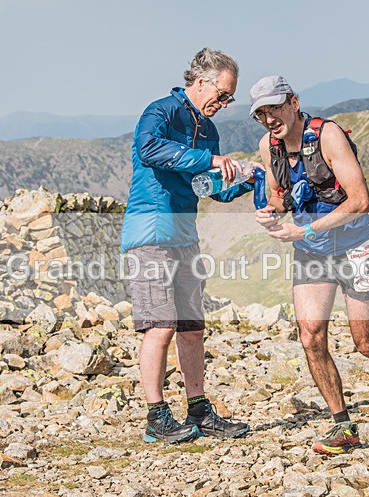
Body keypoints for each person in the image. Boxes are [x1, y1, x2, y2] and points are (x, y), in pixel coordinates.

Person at [251, 75, 369, 455]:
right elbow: (279, 196)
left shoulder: (328, 136)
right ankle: (342, 425)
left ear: (293, 103)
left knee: (365, 342)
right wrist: (271, 212)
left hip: (356, 243)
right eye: (261, 112)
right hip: (313, 250)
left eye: (275, 108)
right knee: (311, 335)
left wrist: (305, 228)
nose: (269, 118)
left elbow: (360, 200)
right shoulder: (269, 146)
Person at [120, 48, 252, 444]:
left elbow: (209, 187)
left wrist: (248, 179)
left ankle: (199, 409)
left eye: (230, 99)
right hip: (150, 232)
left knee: (192, 327)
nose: (224, 104)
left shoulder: (208, 131)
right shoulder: (160, 112)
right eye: (223, 95)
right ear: (201, 82)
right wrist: (210, 159)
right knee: (160, 325)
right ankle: (156, 416)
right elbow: (150, 151)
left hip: (185, 235)